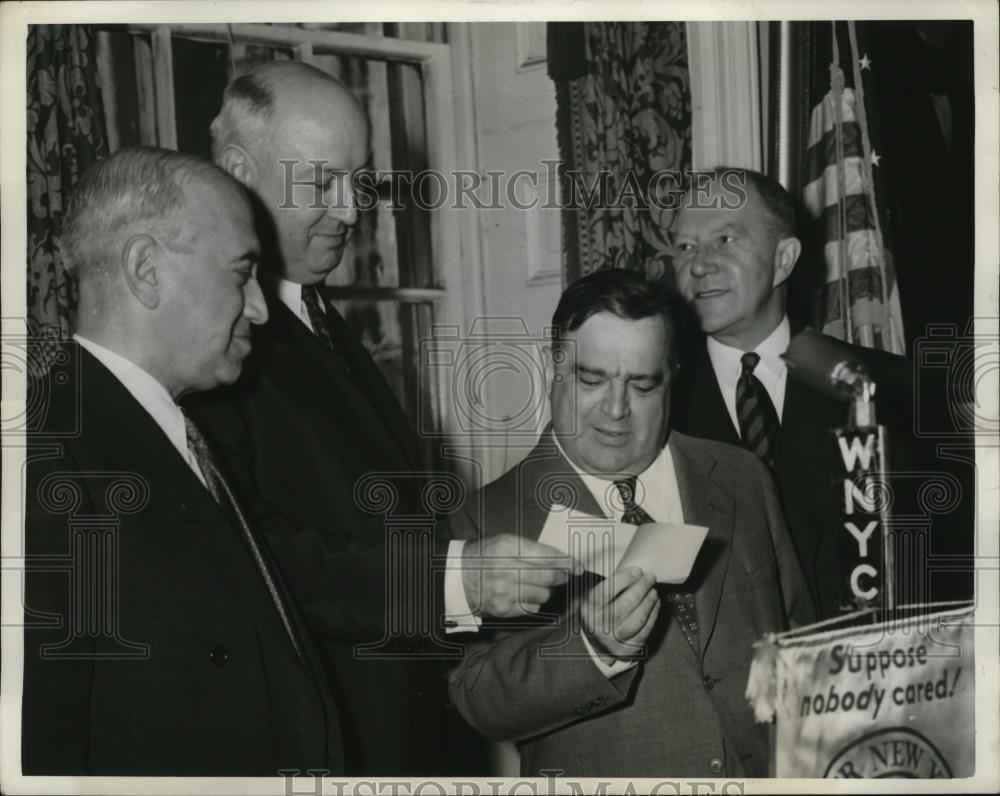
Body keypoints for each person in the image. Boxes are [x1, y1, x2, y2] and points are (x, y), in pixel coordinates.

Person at [193, 60, 570, 774]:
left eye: (357, 180)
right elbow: (266, 563)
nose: (350, 209)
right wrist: (455, 582)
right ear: (239, 172)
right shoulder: (212, 347)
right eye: (321, 183)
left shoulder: (320, 318)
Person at [22, 146, 344, 775]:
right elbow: (37, 752)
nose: (257, 306)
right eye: (240, 272)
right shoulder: (44, 460)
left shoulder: (183, 437)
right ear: (146, 269)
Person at [447, 269, 813, 777]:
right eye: (592, 380)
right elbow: (477, 699)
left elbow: (802, 638)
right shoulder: (484, 518)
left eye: (642, 385)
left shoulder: (741, 476)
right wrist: (591, 649)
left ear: (674, 375)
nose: (616, 410)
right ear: (551, 367)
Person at [668, 166, 965, 619]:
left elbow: (950, 566)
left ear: (784, 258)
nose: (699, 264)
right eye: (685, 247)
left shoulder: (890, 390)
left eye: (724, 240)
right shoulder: (654, 400)